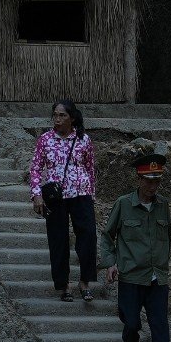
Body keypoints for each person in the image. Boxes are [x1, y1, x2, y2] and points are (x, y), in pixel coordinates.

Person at [101, 141, 171, 342]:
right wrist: (111, 263)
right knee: (131, 324)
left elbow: (168, 237)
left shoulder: (163, 205)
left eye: (157, 181)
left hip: (158, 279)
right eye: (148, 181)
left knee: (160, 331)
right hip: (131, 277)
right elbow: (107, 236)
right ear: (139, 178)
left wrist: (164, 265)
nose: (153, 186)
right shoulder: (123, 204)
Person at [28, 99, 98, 302]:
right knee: (58, 240)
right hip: (56, 196)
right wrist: (36, 194)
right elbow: (35, 168)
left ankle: (85, 281)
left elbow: (90, 167)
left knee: (88, 237)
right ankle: (63, 284)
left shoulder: (84, 139)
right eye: (55, 115)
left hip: (81, 193)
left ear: (72, 118)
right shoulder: (45, 139)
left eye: (62, 116)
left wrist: (92, 194)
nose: (57, 119)